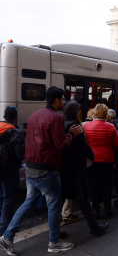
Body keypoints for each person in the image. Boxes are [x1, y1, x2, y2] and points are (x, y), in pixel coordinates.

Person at [0, 86, 83, 255]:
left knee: (28, 202)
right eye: (63, 99)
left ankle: (7, 237)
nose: (64, 102)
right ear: (57, 100)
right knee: (54, 204)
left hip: (31, 166)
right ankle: (54, 242)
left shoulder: (34, 116)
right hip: (47, 168)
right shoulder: (56, 118)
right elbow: (61, 145)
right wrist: (72, 134)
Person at [61, 101, 108, 235]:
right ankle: (94, 227)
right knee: (83, 199)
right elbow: (84, 146)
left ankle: (55, 231)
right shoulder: (76, 126)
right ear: (77, 112)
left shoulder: (62, 124)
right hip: (76, 168)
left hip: (63, 167)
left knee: (59, 200)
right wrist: (92, 157)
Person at [84, 104, 118, 219]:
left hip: (92, 160)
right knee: (107, 184)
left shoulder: (87, 126)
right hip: (107, 159)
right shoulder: (110, 127)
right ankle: (107, 210)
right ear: (106, 114)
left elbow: (84, 143)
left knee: (93, 184)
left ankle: (95, 210)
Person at [0, 107, 25, 236]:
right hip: (9, 170)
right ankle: (4, 229)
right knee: (9, 199)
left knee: (1, 198)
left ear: (4, 117)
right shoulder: (16, 133)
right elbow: (20, 155)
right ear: (15, 118)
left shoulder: (0, 128)